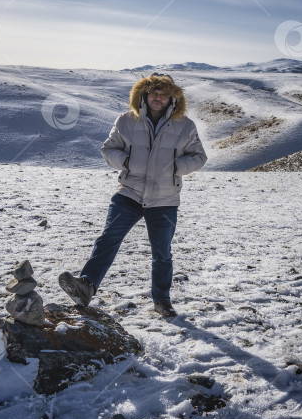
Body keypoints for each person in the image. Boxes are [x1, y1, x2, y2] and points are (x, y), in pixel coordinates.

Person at [59, 73, 207, 317]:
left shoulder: (185, 125)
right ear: (145, 94)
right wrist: (126, 160)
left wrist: (176, 167)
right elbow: (108, 150)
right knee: (108, 239)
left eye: (164, 94)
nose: (158, 98)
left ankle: (162, 300)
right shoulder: (127, 120)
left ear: (172, 98)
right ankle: (85, 286)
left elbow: (199, 157)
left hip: (164, 199)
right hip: (129, 193)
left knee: (162, 253)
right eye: (154, 93)